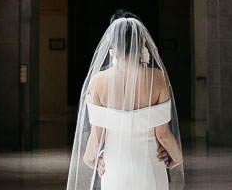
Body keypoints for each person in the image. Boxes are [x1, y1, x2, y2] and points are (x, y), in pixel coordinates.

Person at [67, 11, 186, 189]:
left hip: (114, 168)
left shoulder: (98, 81)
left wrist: (90, 159)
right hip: (151, 165)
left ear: (112, 42)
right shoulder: (158, 78)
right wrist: (176, 158)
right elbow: (162, 133)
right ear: (143, 42)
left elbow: (97, 136)